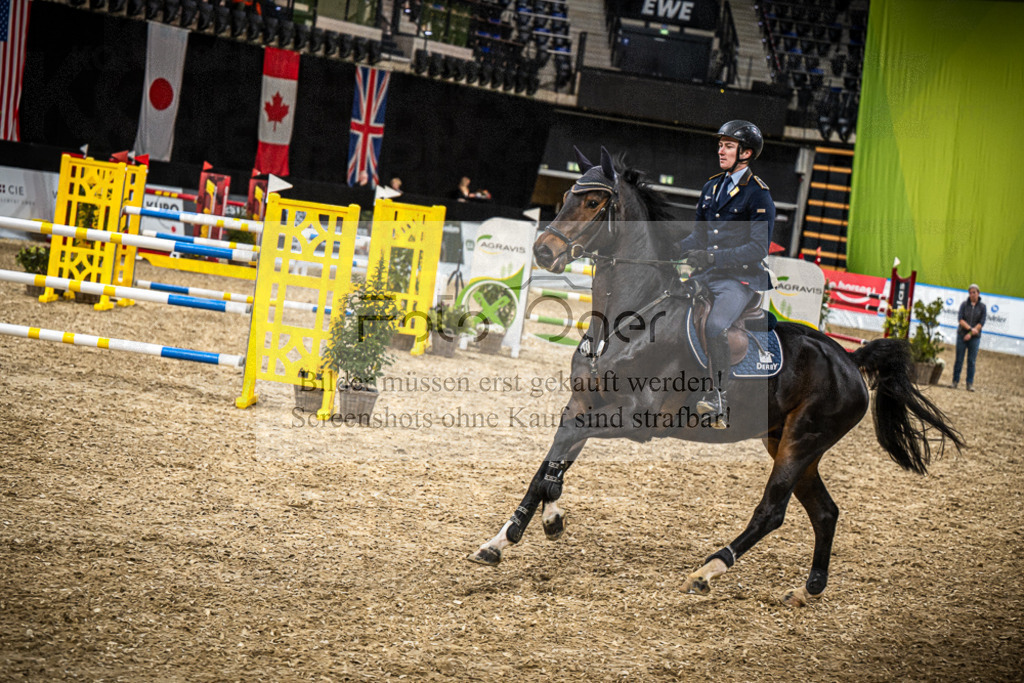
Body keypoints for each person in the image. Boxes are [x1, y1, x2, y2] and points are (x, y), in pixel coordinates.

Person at [676, 120, 776, 428]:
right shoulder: (711, 187)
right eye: (720, 144)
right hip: (707, 274)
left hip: (739, 279)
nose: (721, 150)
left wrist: (712, 257)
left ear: (746, 153)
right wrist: (671, 249)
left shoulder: (758, 195)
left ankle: (718, 396)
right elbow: (699, 238)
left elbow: (757, 248)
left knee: (717, 325)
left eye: (728, 145)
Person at [951, 283, 986, 391]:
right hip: (962, 335)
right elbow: (960, 319)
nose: (972, 294)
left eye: (974, 292)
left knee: (971, 361)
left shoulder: (982, 307)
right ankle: (955, 381)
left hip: (975, 338)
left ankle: (969, 383)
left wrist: (970, 334)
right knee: (959, 359)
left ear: (978, 293)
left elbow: (981, 323)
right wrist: (970, 329)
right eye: (970, 292)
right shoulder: (964, 305)